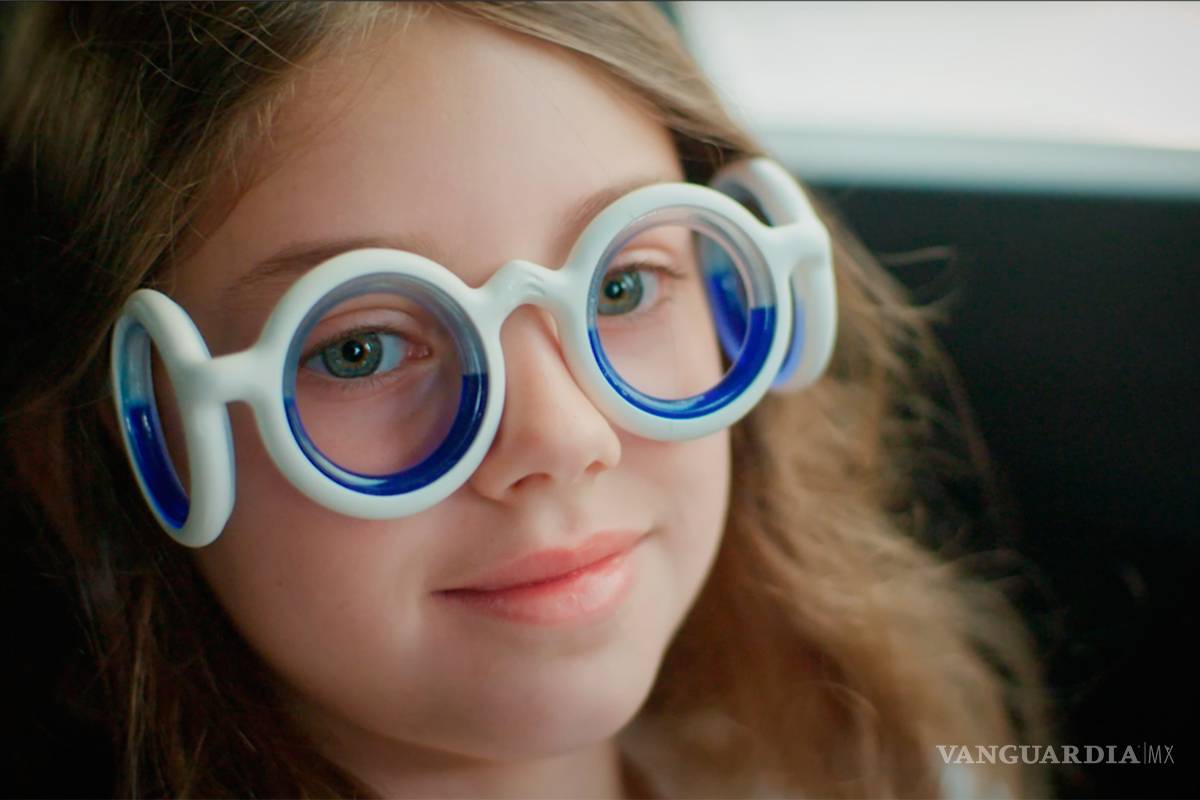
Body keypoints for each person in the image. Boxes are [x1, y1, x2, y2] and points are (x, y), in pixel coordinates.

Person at [0, 2, 1052, 797]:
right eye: (361, 346)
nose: (564, 433)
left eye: (622, 285)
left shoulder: (859, 764)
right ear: (112, 443)